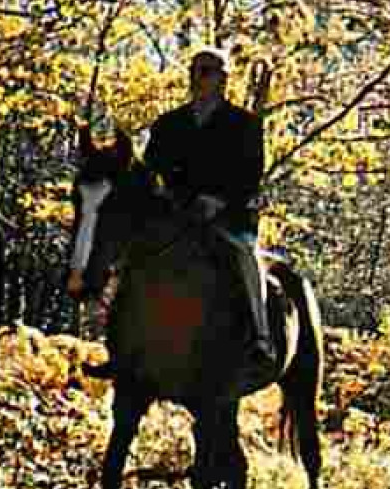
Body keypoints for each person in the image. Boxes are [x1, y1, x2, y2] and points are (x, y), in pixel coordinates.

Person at [85, 45, 273, 381]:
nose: (196, 78)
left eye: (205, 71)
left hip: (228, 217)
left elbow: (250, 176)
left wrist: (219, 201)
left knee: (246, 256)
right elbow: (151, 170)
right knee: (133, 256)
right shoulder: (168, 124)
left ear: (223, 79)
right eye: (194, 71)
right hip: (176, 214)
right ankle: (120, 347)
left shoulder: (244, 125)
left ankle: (260, 336)